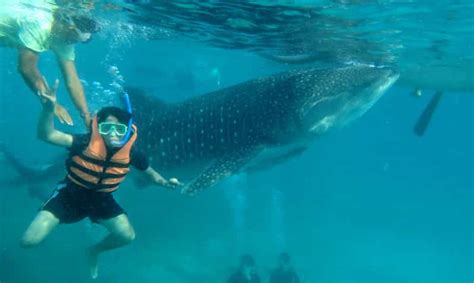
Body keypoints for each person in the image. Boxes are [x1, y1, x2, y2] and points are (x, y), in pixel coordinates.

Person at [20, 79, 181, 279]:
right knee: (28, 241)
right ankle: (43, 197)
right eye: (106, 128)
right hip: (69, 194)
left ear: (127, 130)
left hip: (102, 200)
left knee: (126, 236)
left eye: (119, 129)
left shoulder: (133, 154)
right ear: (98, 128)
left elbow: (151, 174)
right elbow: (46, 135)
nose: (112, 134)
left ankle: (93, 250)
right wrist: (48, 109)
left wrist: (166, 183)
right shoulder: (83, 142)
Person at [0, 2, 99, 126]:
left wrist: (86, 115)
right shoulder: (39, 23)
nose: (72, 43)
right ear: (67, 25)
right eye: (73, 38)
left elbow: (72, 79)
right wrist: (52, 103)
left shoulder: (65, 37)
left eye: (77, 41)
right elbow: (26, 68)